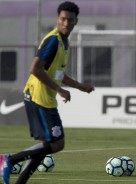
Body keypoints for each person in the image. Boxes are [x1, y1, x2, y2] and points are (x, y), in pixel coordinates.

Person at [0, 1, 94, 184]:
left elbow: (58, 73)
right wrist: (59, 90)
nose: (66, 23)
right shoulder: (53, 40)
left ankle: (18, 180)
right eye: (63, 19)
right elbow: (35, 69)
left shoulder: (64, 43)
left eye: (70, 20)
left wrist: (79, 86)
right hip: (38, 97)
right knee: (57, 143)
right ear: (58, 19)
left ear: (76, 21)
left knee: (47, 145)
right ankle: (9, 160)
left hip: (45, 98)